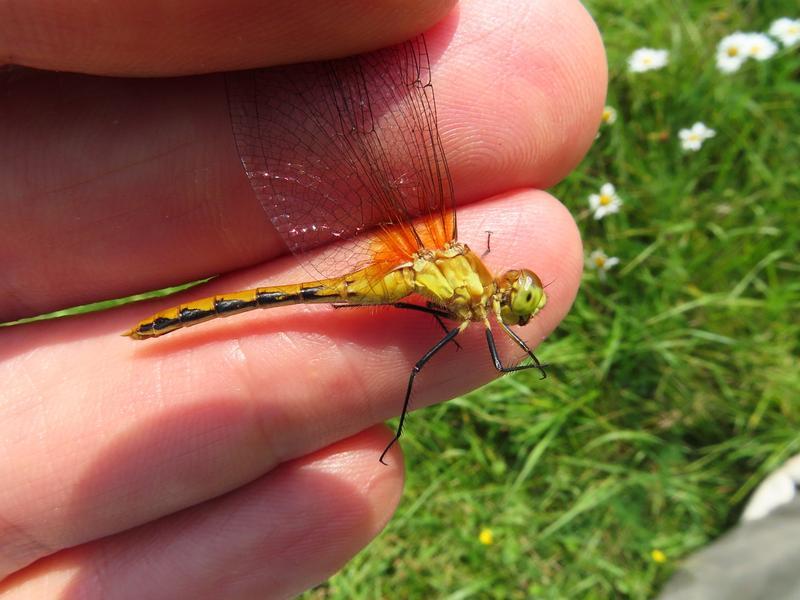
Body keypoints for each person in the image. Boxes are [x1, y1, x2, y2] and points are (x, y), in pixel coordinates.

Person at [0, 0, 605, 596]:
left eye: (514, 303)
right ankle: (179, 322)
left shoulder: (468, 278)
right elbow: (492, 357)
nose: (512, 307)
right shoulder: (471, 297)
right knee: (420, 361)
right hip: (371, 276)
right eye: (515, 300)